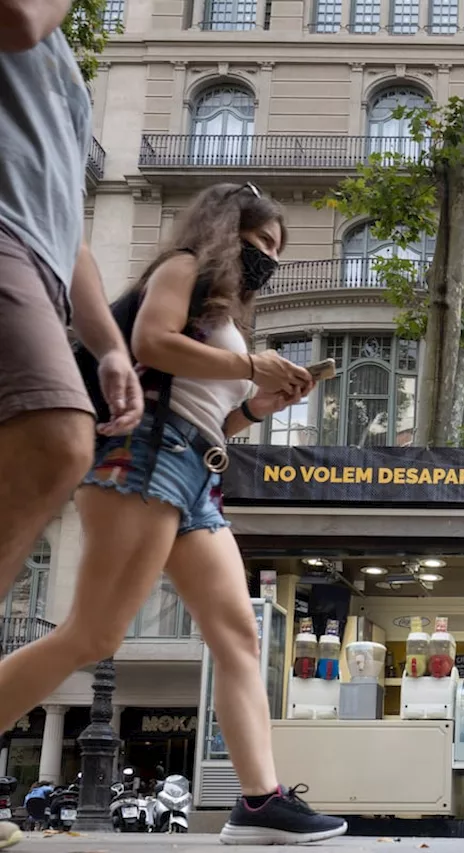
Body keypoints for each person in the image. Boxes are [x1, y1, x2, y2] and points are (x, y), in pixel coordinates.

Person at [0, 183, 348, 846]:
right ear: (229, 228)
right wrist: (250, 363)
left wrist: (255, 407)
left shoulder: (224, 319)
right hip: (146, 457)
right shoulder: (183, 267)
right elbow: (151, 342)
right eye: (262, 244)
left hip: (195, 474)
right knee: (92, 636)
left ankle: (259, 801)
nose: (268, 260)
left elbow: (214, 414)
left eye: (277, 250)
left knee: (239, 635)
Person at [1, 2, 149, 846]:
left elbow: (72, 226)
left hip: (38, 257)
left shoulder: (67, 73)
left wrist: (108, 345)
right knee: (56, 436)